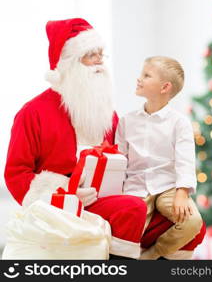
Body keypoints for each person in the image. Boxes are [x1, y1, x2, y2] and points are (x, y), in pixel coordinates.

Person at [4, 18, 147, 259]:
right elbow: (16, 174)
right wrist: (63, 193)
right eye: (91, 55)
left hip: (105, 198)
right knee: (131, 209)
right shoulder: (33, 112)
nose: (100, 61)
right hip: (58, 206)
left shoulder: (106, 114)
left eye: (101, 54)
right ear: (69, 63)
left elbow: (122, 159)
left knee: (173, 220)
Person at [116, 56, 204, 259]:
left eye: (146, 75)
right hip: (135, 187)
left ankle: (152, 256)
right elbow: (120, 160)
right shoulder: (126, 121)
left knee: (192, 222)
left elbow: (185, 161)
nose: (139, 79)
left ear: (165, 87)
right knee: (130, 226)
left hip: (168, 187)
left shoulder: (179, 123)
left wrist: (182, 193)